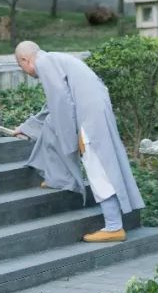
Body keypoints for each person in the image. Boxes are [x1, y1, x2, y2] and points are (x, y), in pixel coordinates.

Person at [11, 41, 144, 243]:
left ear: (25, 60)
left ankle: (114, 226)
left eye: (22, 68)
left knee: (96, 166)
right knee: (100, 162)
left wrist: (72, 139)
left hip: (88, 116)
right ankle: (59, 178)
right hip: (94, 110)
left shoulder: (44, 64)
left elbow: (62, 103)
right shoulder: (53, 59)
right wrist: (26, 128)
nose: (27, 73)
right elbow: (52, 107)